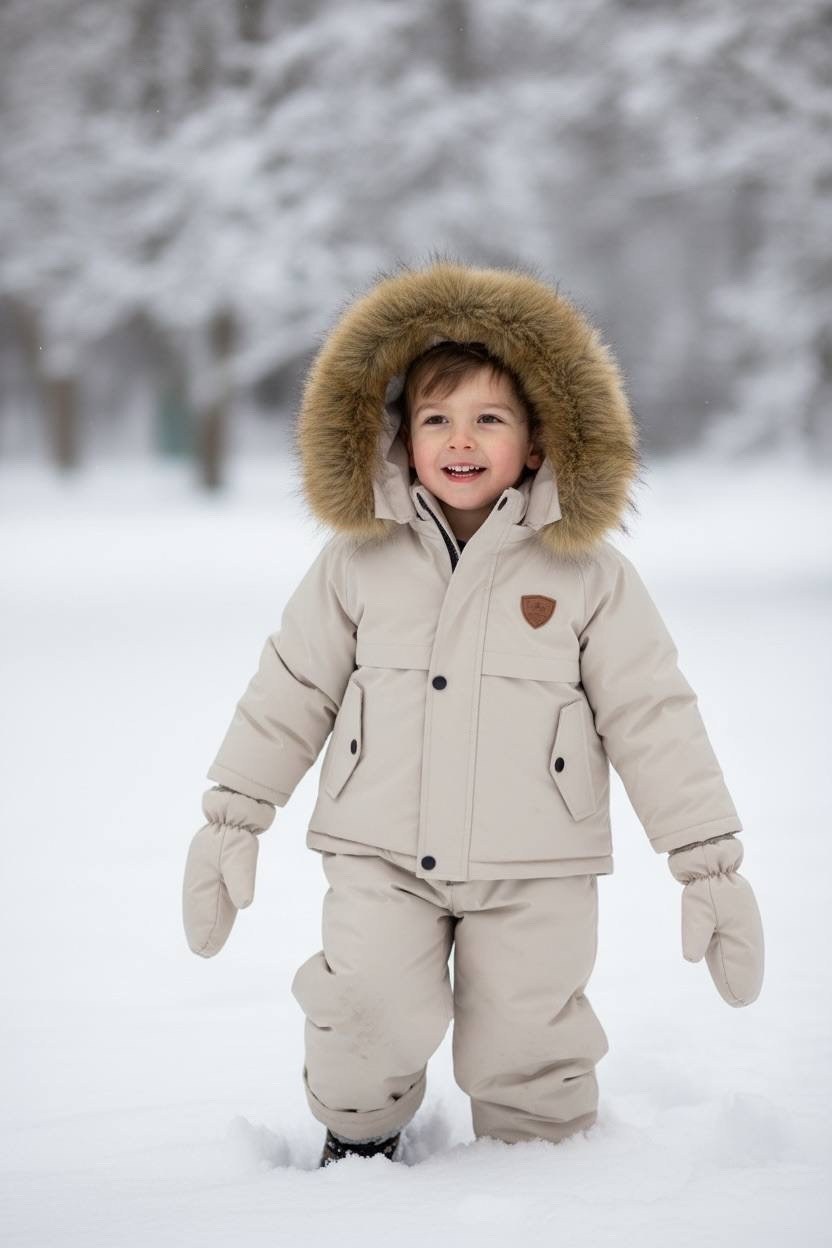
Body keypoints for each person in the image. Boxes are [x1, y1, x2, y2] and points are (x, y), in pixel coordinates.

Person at [182, 260, 765, 1169]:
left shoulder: (587, 574)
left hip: (536, 860)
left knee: (530, 1033)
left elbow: (653, 713)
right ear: (396, 438)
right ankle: (359, 1141)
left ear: (537, 441)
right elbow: (291, 685)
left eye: (489, 418)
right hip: (381, 848)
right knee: (366, 1006)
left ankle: (538, 1171)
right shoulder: (358, 564)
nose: (462, 439)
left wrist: (707, 862)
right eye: (435, 419)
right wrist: (234, 813)